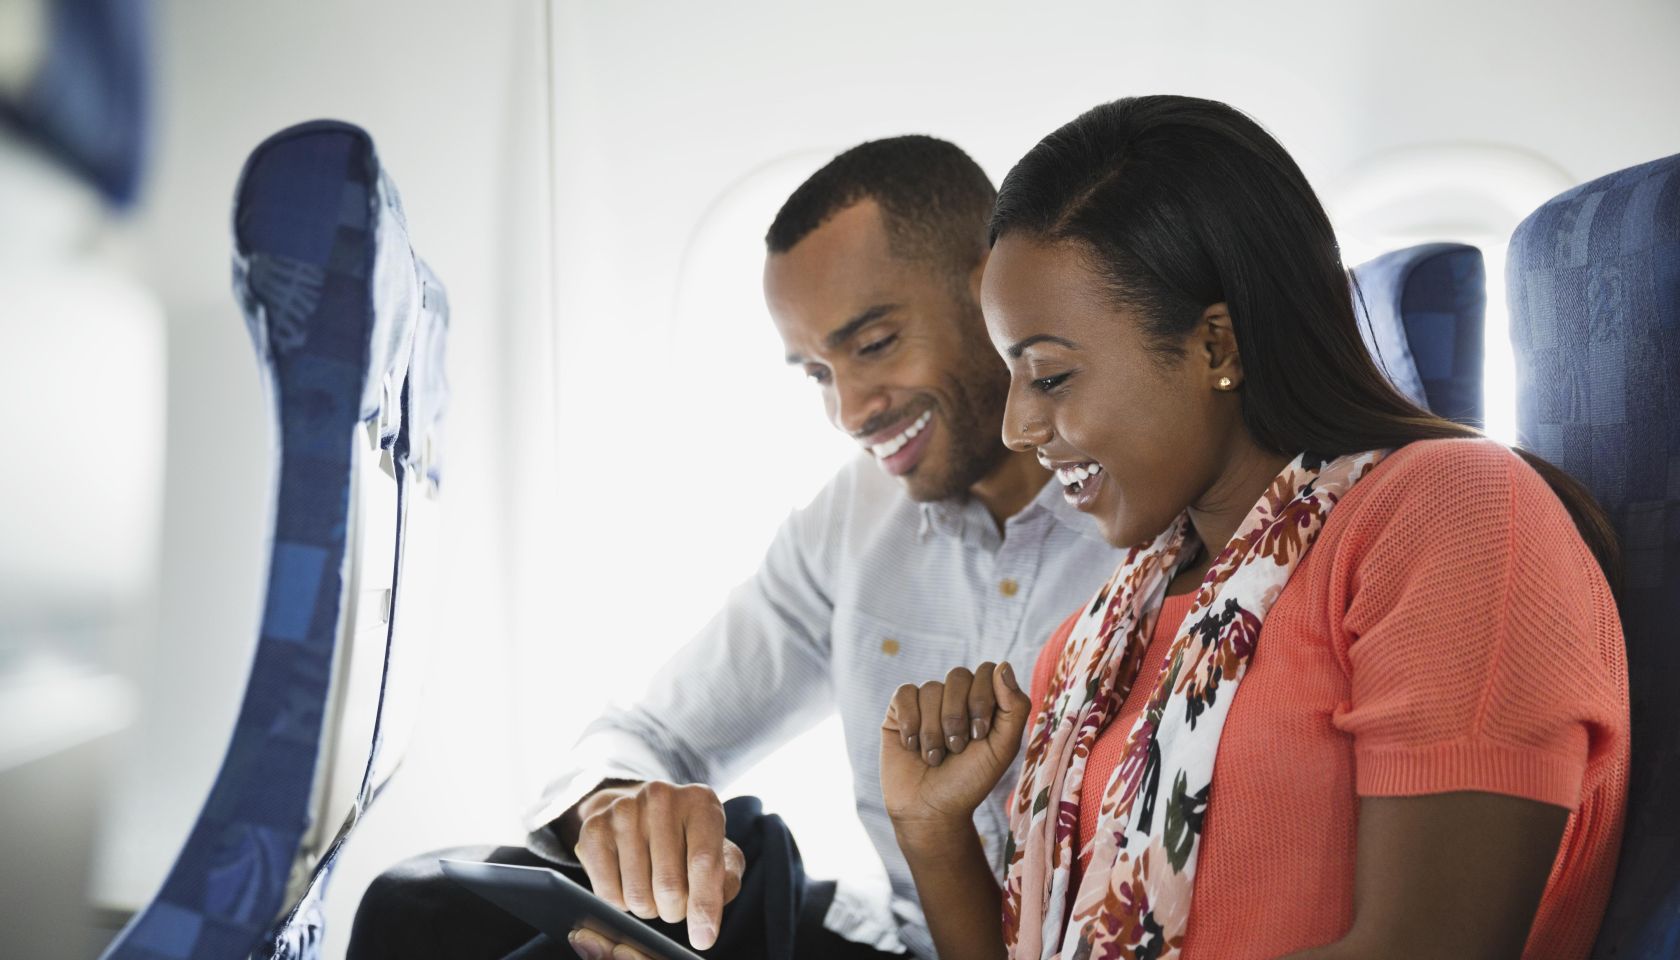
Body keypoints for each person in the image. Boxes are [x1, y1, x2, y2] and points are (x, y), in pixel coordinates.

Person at [879, 96, 1629, 960]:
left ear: (1217, 349)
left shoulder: (1448, 515)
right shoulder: (1094, 639)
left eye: (1048, 376)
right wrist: (932, 830)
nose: (1018, 427)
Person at [347, 136, 1123, 960]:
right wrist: (627, 812)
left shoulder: (1136, 512)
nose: (851, 411)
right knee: (427, 912)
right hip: (889, 943)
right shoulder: (853, 520)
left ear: (990, 291)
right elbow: (652, 731)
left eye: (872, 344)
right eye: (818, 373)